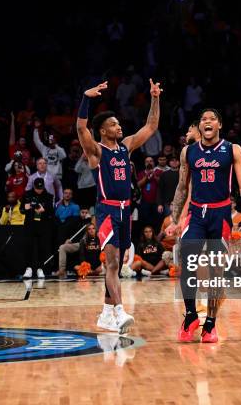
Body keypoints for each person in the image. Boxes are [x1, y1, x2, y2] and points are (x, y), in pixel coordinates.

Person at [77, 78, 162, 334]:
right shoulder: (97, 152)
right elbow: (81, 129)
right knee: (112, 263)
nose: (119, 126)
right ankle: (119, 310)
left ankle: (105, 312)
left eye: (118, 123)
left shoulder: (125, 148)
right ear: (103, 130)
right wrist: (86, 98)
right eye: (113, 124)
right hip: (106, 210)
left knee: (119, 262)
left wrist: (155, 97)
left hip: (127, 211)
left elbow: (151, 125)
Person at [166, 109, 241, 343]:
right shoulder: (189, 152)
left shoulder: (232, 149)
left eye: (212, 119)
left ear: (219, 125)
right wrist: (175, 220)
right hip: (196, 213)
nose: (207, 122)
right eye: (203, 119)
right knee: (187, 261)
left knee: (217, 271)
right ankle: (191, 316)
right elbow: (182, 188)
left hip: (221, 214)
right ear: (200, 126)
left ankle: (211, 324)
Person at [20, 177, 55, 279]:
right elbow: (22, 209)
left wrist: (44, 210)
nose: (39, 190)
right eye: (37, 188)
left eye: (41, 188)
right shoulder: (27, 195)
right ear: (34, 187)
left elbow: (51, 213)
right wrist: (29, 207)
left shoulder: (48, 196)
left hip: (43, 225)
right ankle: (28, 269)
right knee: (28, 247)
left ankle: (40, 269)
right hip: (30, 224)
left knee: (42, 247)